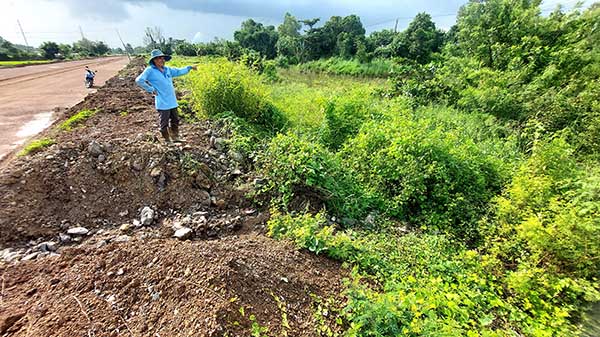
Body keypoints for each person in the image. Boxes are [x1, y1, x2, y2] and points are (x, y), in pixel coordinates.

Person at [135, 49, 197, 143]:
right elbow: (139, 80)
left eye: (163, 58)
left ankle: (175, 137)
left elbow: (178, 71)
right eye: (160, 58)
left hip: (172, 100)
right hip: (162, 102)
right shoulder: (150, 71)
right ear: (154, 60)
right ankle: (167, 140)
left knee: (175, 119)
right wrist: (151, 89)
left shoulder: (167, 70)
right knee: (164, 122)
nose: (162, 60)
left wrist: (189, 67)